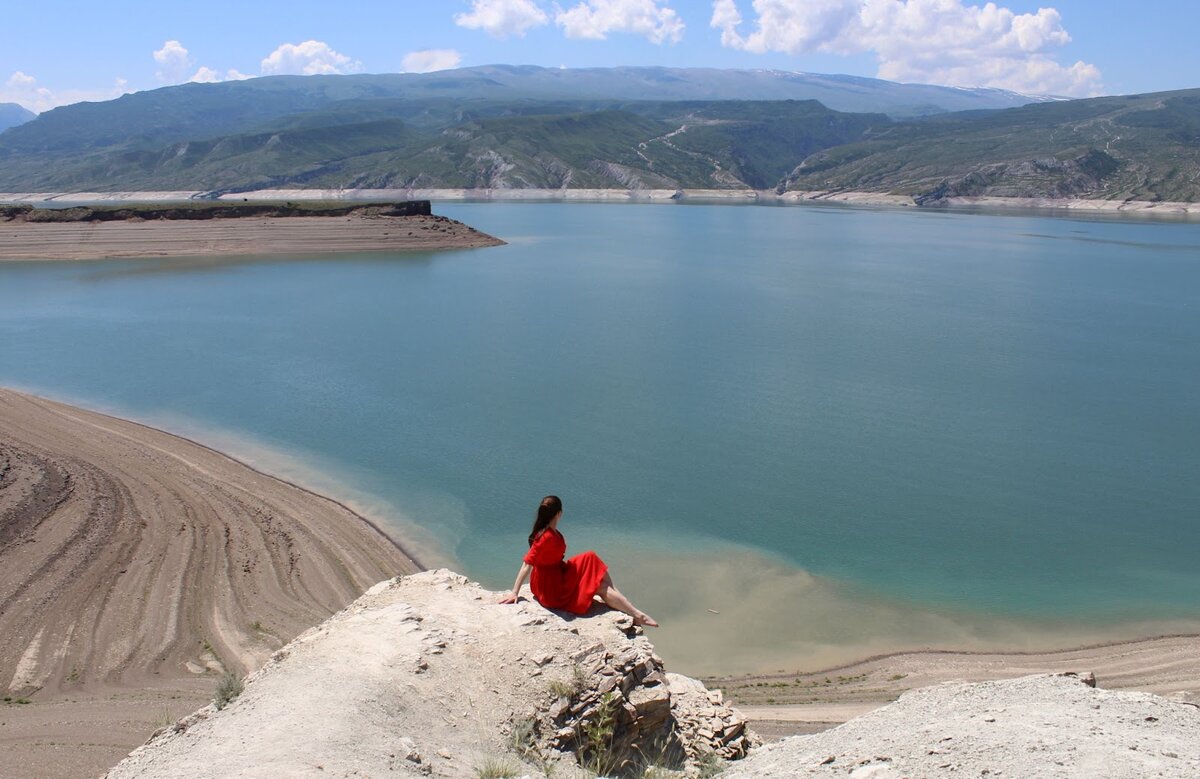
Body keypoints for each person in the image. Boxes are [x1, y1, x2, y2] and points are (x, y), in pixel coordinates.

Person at [498, 495, 658, 627]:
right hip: (551, 589)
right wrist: (515, 592)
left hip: (558, 572)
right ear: (559, 513)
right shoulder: (545, 538)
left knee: (591, 558)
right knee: (600, 587)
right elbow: (527, 564)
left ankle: (623, 601)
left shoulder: (549, 532)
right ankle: (637, 615)